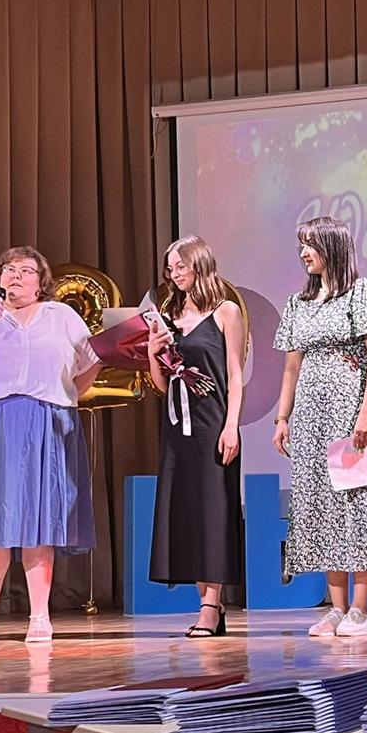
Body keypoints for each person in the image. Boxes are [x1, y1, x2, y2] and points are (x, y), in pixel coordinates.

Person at [0, 246, 102, 644]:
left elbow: (85, 371)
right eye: (9, 269)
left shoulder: (62, 316)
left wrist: (75, 389)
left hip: (46, 424)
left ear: (41, 281)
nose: (16, 275)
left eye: (27, 270)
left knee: (39, 521)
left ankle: (40, 616)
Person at [272, 216, 367, 638]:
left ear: (333, 246)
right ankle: (337, 608)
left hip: (350, 411)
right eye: (301, 245)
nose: (304, 253)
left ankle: (361, 609)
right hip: (310, 417)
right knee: (321, 507)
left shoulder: (363, 292)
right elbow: (292, 365)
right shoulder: (299, 302)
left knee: (356, 504)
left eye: (311, 244)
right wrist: (282, 417)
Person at [146, 235, 245, 638]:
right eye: (170, 268)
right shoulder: (169, 316)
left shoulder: (226, 312)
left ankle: (211, 605)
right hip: (176, 428)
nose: (174, 274)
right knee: (186, 511)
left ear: (199, 264)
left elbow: (235, 374)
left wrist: (231, 425)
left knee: (213, 511)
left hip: (213, 424)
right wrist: (152, 352)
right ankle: (207, 603)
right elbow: (162, 384)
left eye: (180, 266)